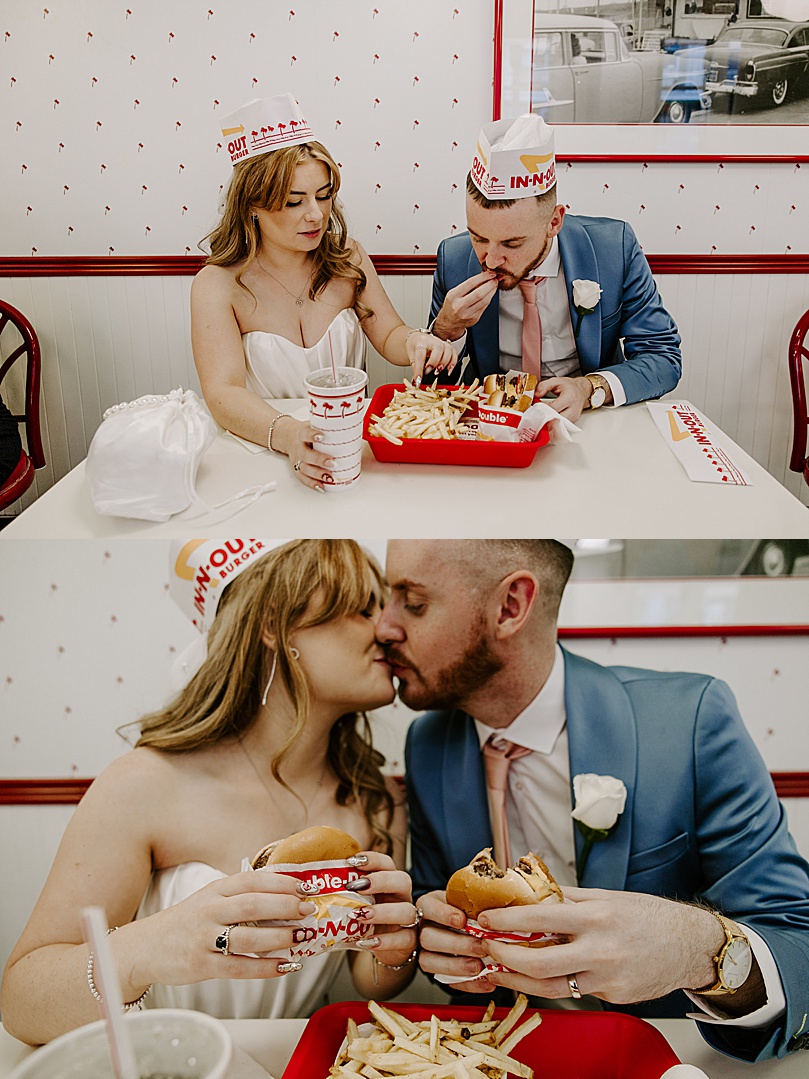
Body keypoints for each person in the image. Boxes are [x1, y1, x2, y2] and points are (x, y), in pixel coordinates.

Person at [375, 540, 809, 1063]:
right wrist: (438, 944)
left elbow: (797, 942)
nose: (384, 626)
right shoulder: (428, 744)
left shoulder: (690, 721)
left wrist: (695, 949)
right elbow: (436, 912)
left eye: (414, 602)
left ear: (511, 606)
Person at [1, 539, 419, 1046]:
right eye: (360, 608)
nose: (387, 630)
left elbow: (369, 979)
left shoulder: (376, 804)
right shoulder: (144, 785)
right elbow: (21, 1001)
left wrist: (397, 949)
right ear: (273, 626)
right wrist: (152, 946)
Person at [191, 93, 457, 491]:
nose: (316, 214)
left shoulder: (348, 258)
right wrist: (288, 436)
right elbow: (222, 392)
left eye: (324, 195)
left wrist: (419, 342)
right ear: (252, 206)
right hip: (264, 452)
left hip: (351, 449)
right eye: (294, 201)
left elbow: (388, 334)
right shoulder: (216, 285)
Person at [428, 115, 682, 422]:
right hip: (493, 426)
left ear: (554, 222)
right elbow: (433, 388)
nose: (491, 259)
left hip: (591, 422)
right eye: (479, 237)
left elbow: (663, 358)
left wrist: (590, 388)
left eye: (512, 244)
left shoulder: (613, 248)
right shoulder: (454, 259)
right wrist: (446, 331)